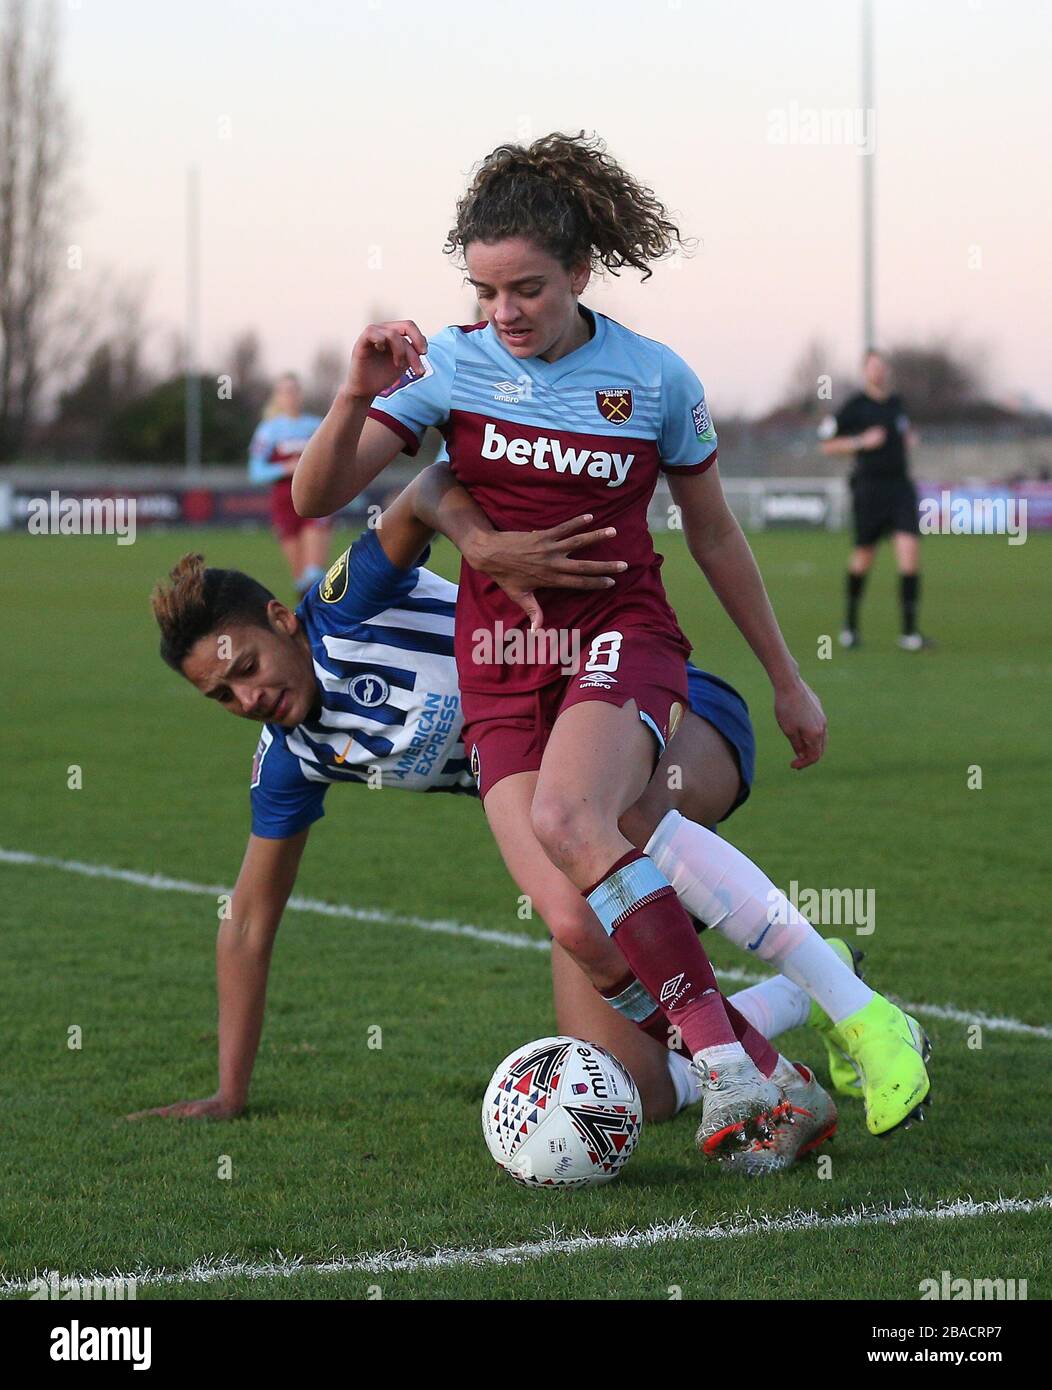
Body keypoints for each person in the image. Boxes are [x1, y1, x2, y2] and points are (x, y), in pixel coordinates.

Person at [292, 132, 931, 1154]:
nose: (505, 313)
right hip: (499, 677)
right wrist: (352, 389)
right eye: (485, 289)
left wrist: (785, 676)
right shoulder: (449, 366)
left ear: (580, 270)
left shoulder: (654, 379)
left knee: (573, 814)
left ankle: (737, 1068)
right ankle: (781, 1077)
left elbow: (713, 533)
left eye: (528, 289)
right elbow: (314, 494)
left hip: (618, 638)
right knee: (580, 927)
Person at [135, 470, 855, 1174]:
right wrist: (230, 1093)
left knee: (602, 841)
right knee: (631, 1088)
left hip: (678, 718)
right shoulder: (292, 756)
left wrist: (476, 542)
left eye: (249, 667)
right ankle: (802, 1001)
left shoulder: (348, 605)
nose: (247, 695)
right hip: (571, 830)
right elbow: (250, 922)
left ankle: (814, 1035)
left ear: (283, 620)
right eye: (222, 695)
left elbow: (423, 489)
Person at [819, 349, 931, 650]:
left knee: (909, 553)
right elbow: (827, 445)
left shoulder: (897, 404)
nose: (878, 372)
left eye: (882, 367)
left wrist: (908, 439)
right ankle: (850, 627)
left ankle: (910, 633)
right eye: (873, 367)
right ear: (865, 371)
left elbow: (904, 431)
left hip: (901, 488)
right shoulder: (855, 407)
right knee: (863, 558)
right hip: (870, 489)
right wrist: (860, 441)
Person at [248, 373, 333, 597]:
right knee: (301, 583)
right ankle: (308, 627)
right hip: (284, 505)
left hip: (316, 501)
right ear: (277, 397)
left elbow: (333, 459)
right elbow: (256, 472)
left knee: (314, 576)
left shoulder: (316, 425)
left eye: (294, 391)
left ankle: (328, 625)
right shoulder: (268, 431)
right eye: (285, 392)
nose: (291, 396)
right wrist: (286, 468)